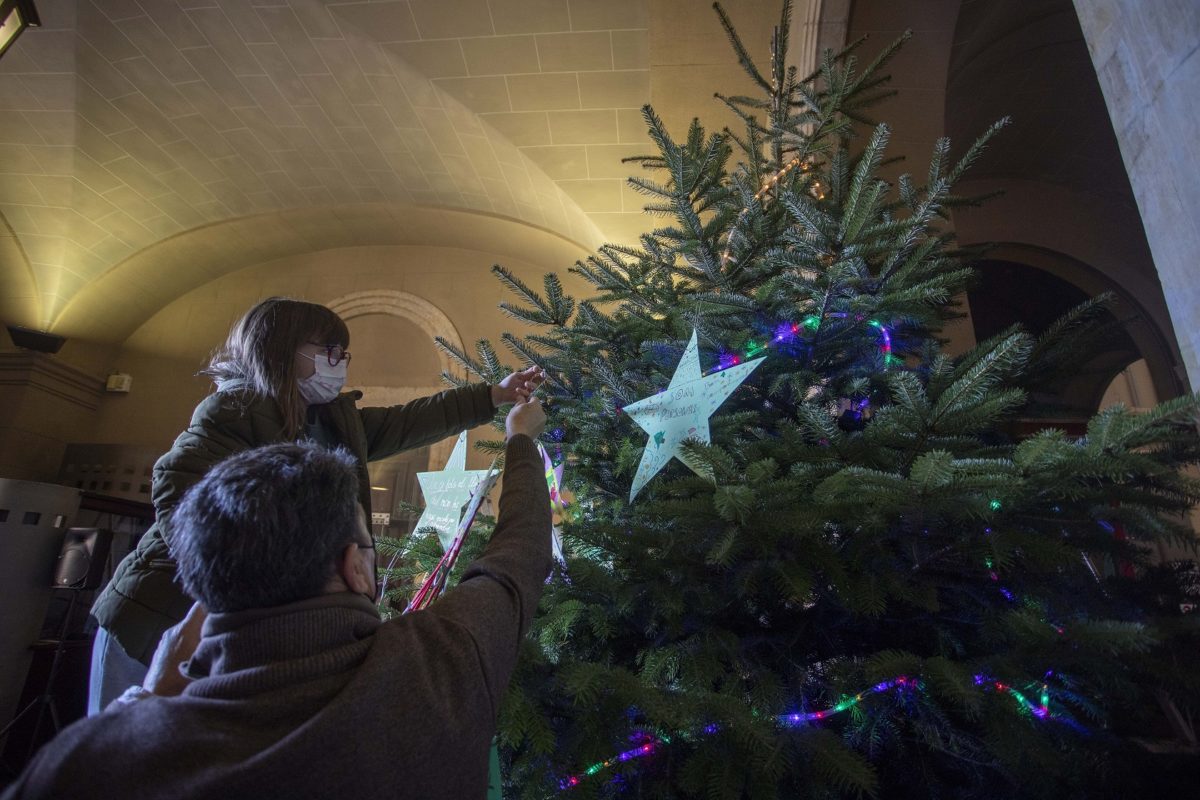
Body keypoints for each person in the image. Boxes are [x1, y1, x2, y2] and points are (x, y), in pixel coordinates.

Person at [2, 397, 551, 800]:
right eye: (365, 541)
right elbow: (520, 552)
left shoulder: (87, 764)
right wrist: (521, 441)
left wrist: (143, 705)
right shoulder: (440, 661)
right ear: (355, 566)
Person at [88, 297, 543, 713]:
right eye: (329, 351)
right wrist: (254, 583)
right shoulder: (232, 414)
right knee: (127, 753)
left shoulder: (330, 419)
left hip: (235, 634)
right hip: (156, 617)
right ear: (282, 351)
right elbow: (178, 492)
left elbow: (409, 421)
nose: (339, 364)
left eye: (342, 355)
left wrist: (492, 397)